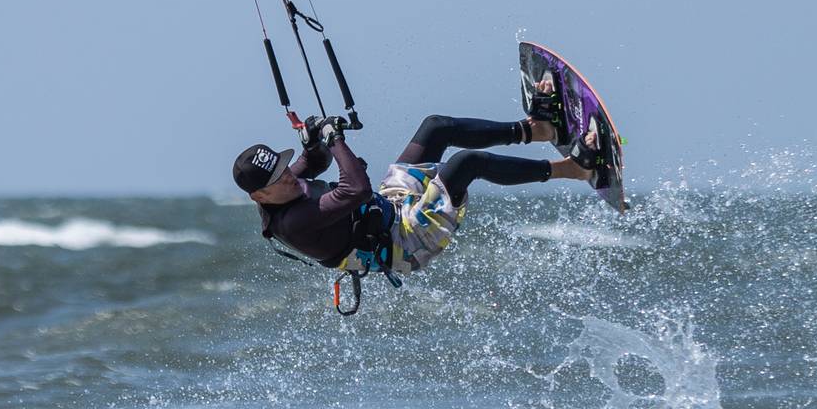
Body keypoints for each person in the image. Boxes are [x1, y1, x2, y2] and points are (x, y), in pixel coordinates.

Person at [232, 87, 596, 274]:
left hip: (391, 208)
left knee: (436, 127)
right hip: (404, 244)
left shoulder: (284, 185)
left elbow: (314, 162)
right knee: (466, 163)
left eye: (284, 168)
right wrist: (334, 138)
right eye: (278, 179)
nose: (288, 177)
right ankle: (574, 169)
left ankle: (537, 129)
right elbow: (355, 189)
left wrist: (313, 138)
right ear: (259, 196)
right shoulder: (294, 221)